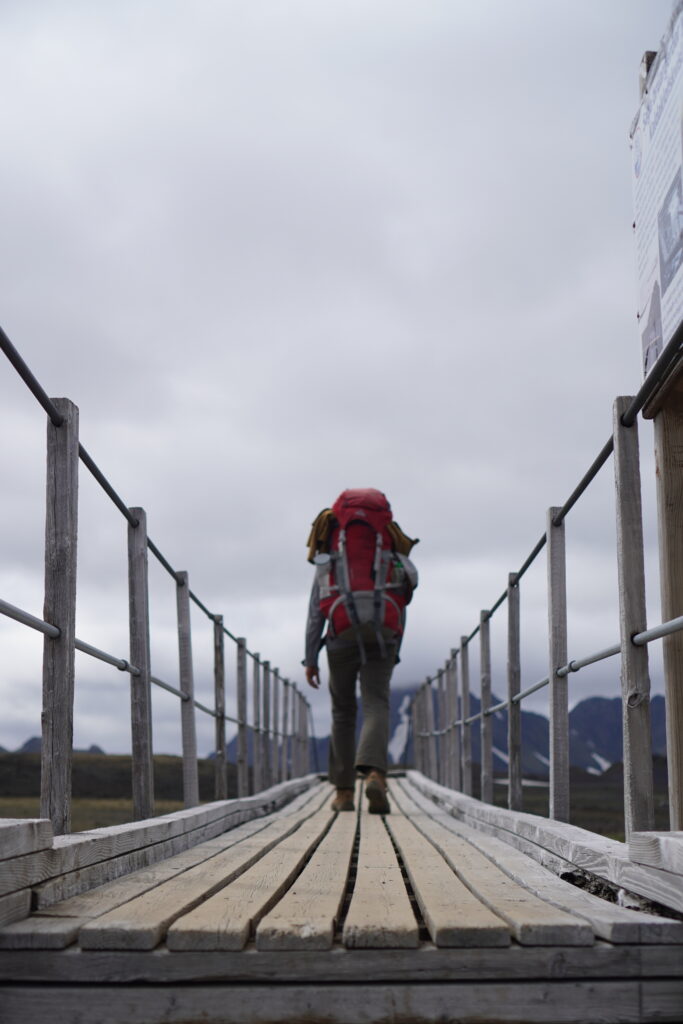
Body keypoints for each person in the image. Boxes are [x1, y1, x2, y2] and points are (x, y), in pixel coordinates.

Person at [303, 488, 417, 814]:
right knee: (376, 704)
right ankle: (376, 774)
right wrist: (396, 644)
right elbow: (401, 601)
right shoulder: (390, 551)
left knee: (342, 711)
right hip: (383, 634)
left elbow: (315, 611)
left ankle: (343, 793)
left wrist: (310, 658)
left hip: (340, 634)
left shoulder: (328, 557)